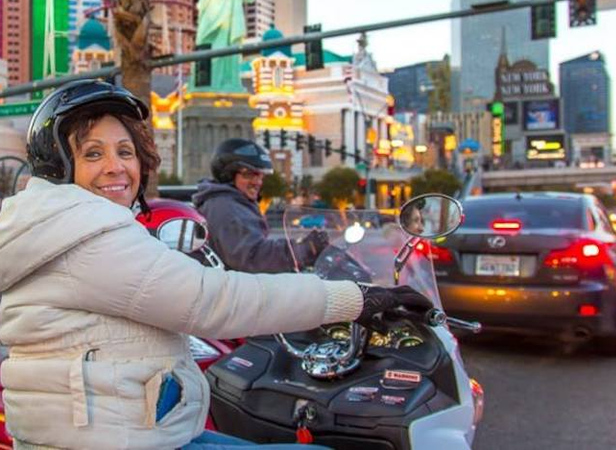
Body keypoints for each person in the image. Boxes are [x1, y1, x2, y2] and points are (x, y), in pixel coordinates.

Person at [0, 80, 433, 450]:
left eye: (125, 151)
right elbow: (215, 300)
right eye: (93, 154)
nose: (116, 167)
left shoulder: (52, 223)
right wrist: (355, 299)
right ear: (59, 165)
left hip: (101, 430)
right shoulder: (85, 234)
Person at [193, 138, 328, 273]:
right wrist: (304, 249)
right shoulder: (225, 207)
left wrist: (302, 247)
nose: (257, 182)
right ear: (228, 175)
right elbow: (253, 258)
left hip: (242, 286)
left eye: (261, 176)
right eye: (249, 175)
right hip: (237, 290)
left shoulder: (234, 203)